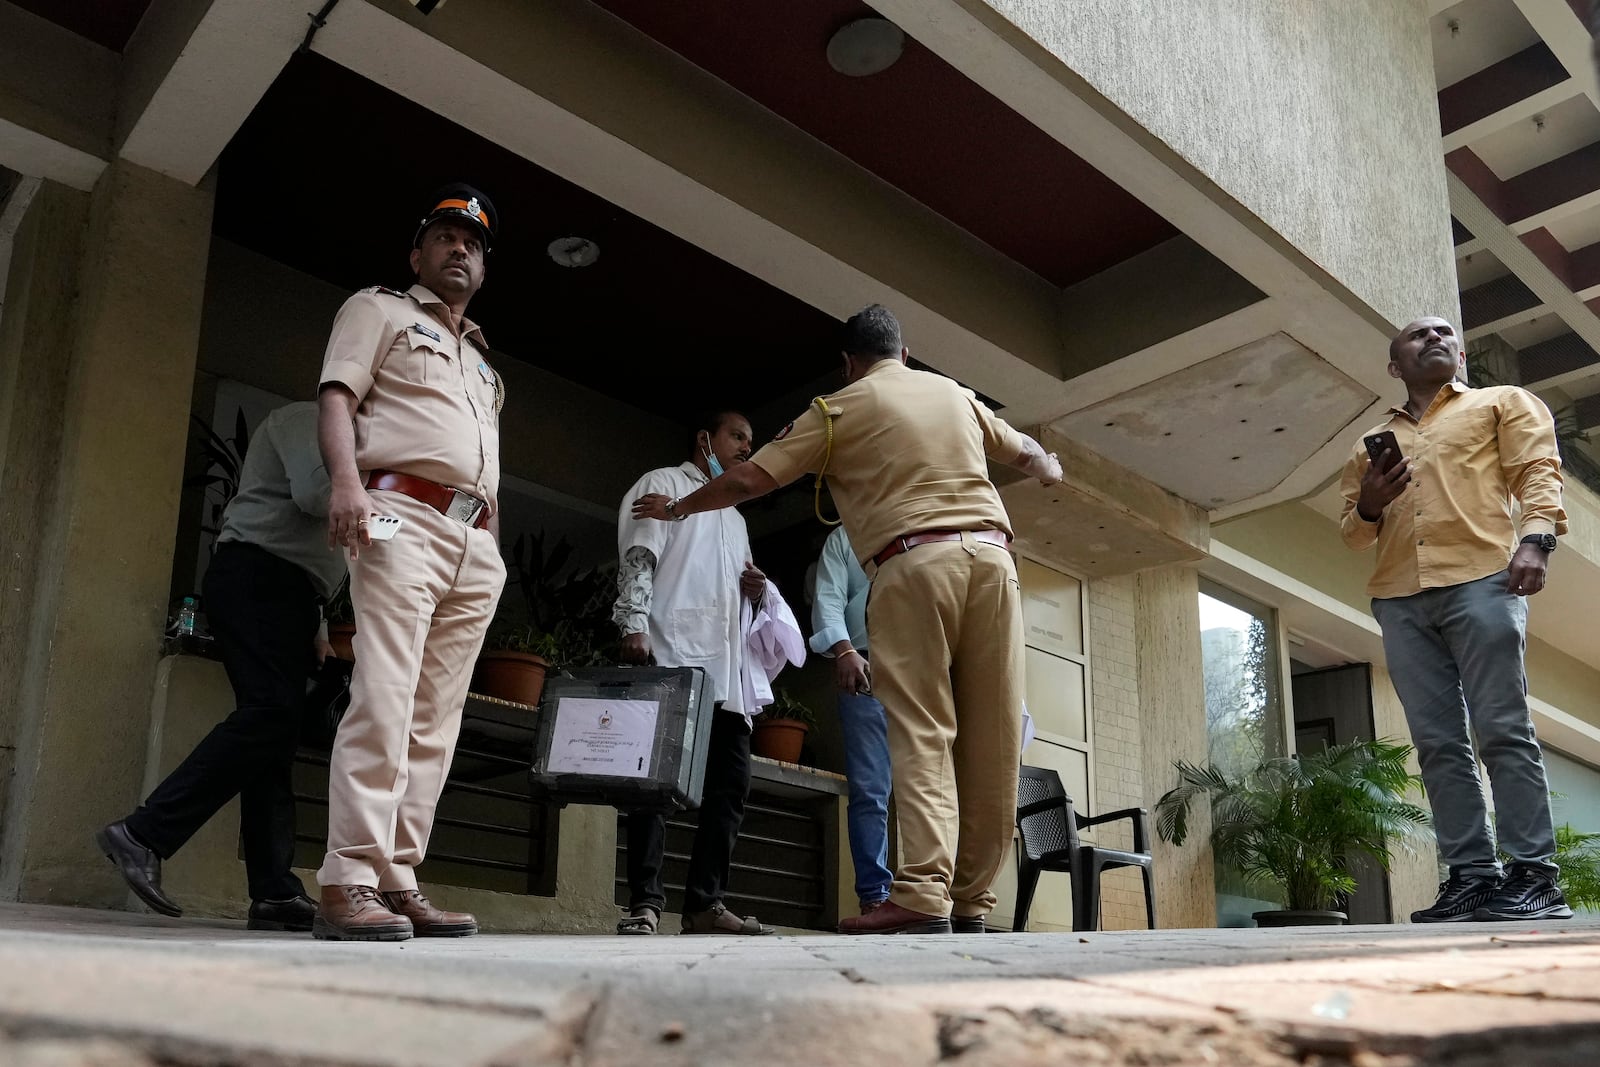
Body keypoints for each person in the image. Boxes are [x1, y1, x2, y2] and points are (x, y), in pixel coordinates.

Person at [633, 305, 1063, 934]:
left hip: (916, 563)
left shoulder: (839, 407)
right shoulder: (956, 396)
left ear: (849, 363)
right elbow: (1029, 454)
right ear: (905, 354)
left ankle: (920, 893)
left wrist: (678, 509)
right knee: (994, 737)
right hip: (997, 565)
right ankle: (971, 901)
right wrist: (1052, 468)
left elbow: (750, 478)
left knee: (922, 730)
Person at [312, 185, 508, 941]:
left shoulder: (484, 365)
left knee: (436, 719)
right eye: (448, 236)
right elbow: (336, 397)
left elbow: (487, 465)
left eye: (476, 244)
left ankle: (397, 877)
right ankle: (348, 875)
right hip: (399, 515)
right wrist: (345, 484)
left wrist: (491, 543)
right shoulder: (379, 309)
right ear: (419, 252)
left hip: (472, 542)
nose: (462, 249)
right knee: (386, 692)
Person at [1340, 315, 1571, 923]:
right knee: (1439, 744)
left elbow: (1537, 473)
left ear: (1461, 352)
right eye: (1417, 336)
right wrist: (1370, 503)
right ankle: (1471, 875)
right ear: (1395, 365)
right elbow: (1354, 533)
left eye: (1444, 332)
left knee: (1502, 728)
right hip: (1399, 596)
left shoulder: (1501, 403)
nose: (1434, 338)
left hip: (1482, 581)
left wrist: (1537, 540)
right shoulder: (1367, 443)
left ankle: (1535, 875)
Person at [96, 402, 346, 931]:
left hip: (294, 593)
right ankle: (143, 834)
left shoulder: (351, 442)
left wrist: (319, 624)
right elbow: (317, 495)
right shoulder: (312, 419)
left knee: (273, 742)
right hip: (257, 574)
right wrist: (379, 485)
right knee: (272, 714)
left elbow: (323, 547)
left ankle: (275, 893)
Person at [612, 411, 780, 936]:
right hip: (669, 651)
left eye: (751, 443)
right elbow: (640, 555)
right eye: (737, 437)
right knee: (653, 787)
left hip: (726, 673)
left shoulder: (735, 515)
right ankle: (644, 902)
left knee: (730, 787)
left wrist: (756, 589)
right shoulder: (664, 484)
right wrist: (633, 623)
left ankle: (705, 904)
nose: (745, 449)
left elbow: (734, 589)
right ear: (705, 439)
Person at [809, 524, 893, 917]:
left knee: (930, 786)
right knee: (871, 790)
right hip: (865, 666)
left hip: (924, 667)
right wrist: (843, 651)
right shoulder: (844, 537)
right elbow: (828, 597)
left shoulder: (921, 520)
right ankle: (875, 896)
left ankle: (933, 893)